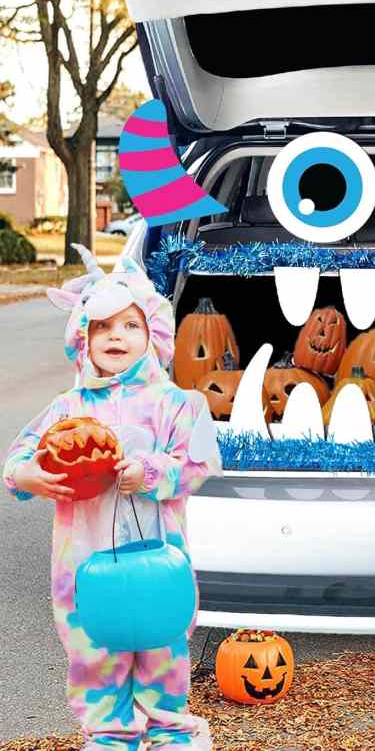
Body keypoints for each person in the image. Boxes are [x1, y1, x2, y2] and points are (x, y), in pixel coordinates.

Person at [2, 244, 222, 750]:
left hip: (159, 555)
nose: (115, 335)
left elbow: (201, 463)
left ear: (153, 335)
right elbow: (18, 459)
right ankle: (109, 735)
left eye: (129, 325)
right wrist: (29, 476)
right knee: (93, 650)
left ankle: (170, 730)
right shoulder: (67, 407)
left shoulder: (175, 404)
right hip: (83, 561)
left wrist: (149, 471)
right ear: (83, 338)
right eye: (101, 327)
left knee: (160, 646)